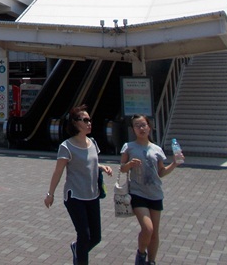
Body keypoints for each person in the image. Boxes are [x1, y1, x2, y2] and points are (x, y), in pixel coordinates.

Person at [44, 105, 113, 265]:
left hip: (92, 195)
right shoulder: (66, 147)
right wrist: (50, 194)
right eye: (85, 120)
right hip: (74, 196)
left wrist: (102, 167)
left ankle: (77, 248)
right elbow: (58, 172)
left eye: (90, 120)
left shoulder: (93, 143)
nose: (89, 123)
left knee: (96, 237)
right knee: (84, 235)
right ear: (75, 123)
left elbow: (90, 163)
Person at [120, 114, 181, 265]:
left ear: (149, 127)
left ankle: (151, 261)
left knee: (154, 233)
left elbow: (161, 172)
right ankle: (141, 256)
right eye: (137, 125)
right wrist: (129, 165)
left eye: (143, 125)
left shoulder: (157, 149)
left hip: (155, 194)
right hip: (137, 193)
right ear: (133, 129)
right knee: (148, 229)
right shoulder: (128, 147)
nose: (141, 128)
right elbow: (122, 169)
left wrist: (174, 164)